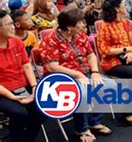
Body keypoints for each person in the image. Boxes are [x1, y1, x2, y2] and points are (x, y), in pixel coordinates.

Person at [40, 8, 113, 141]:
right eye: (80, 22)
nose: (83, 25)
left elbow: (90, 54)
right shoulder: (51, 40)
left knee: (110, 86)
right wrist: (78, 75)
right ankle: (82, 128)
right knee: (83, 93)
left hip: (85, 72)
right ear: (69, 27)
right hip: (63, 77)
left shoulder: (79, 35)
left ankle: (94, 121)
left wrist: (95, 72)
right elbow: (52, 67)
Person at [0, 9, 45, 142]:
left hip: (22, 85)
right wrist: (14, 97)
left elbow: (26, 65)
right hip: (4, 91)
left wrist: (34, 86)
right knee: (20, 113)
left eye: (12, 23)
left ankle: (27, 138)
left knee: (44, 107)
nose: (13, 27)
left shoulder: (16, 41)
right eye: (8, 24)